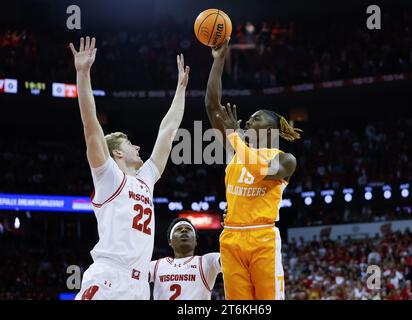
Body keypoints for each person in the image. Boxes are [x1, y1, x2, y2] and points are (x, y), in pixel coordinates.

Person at [69, 37, 190, 300]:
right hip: (108, 277)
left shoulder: (146, 179)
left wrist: (181, 90)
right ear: (117, 152)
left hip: (138, 286)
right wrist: (83, 74)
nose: (138, 147)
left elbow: (167, 132)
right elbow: (91, 127)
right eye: (130, 143)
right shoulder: (108, 177)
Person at [204, 37, 302, 300]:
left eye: (256, 118)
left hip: (262, 238)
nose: (248, 119)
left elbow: (261, 170)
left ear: (270, 129)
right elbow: (212, 107)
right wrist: (219, 60)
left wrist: (235, 136)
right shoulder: (235, 148)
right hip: (231, 237)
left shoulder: (286, 159)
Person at [149, 218, 221, 300]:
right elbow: (134, 276)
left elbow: (230, 259)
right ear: (170, 241)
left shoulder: (207, 261)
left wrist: (232, 227)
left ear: (195, 241)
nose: (184, 230)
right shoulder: (156, 265)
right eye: (178, 229)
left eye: (189, 229)